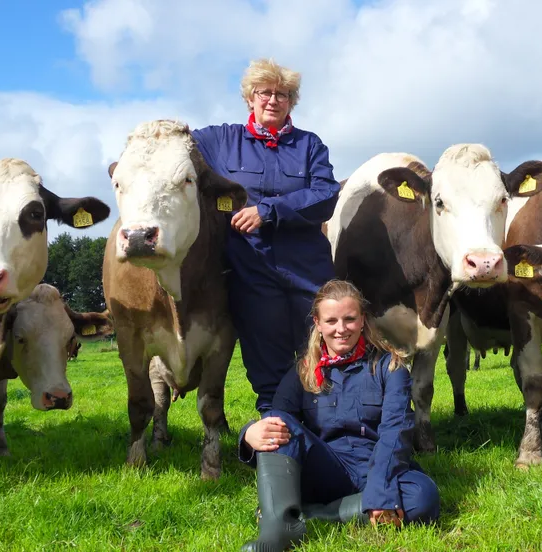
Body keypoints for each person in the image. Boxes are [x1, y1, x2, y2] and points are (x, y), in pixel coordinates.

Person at [237, 280, 441, 552]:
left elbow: (396, 431)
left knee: (423, 498)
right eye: (331, 321)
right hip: (325, 469)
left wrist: (381, 490)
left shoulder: (389, 366)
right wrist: (249, 433)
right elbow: (279, 425)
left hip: (375, 465)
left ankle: (310, 515)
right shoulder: (303, 372)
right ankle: (278, 532)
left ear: (362, 320)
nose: (341, 329)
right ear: (318, 323)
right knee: (276, 421)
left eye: (349, 319)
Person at [192, 58, 340, 413]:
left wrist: (267, 211)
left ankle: (334, 440)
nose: (273, 100)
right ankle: (279, 445)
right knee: (268, 372)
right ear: (250, 98)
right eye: (265, 93)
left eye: (283, 94)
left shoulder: (310, 146)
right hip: (252, 274)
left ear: (292, 101)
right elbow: (175, 143)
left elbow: (325, 195)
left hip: (308, 273)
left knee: (323, 359)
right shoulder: (220, 141)